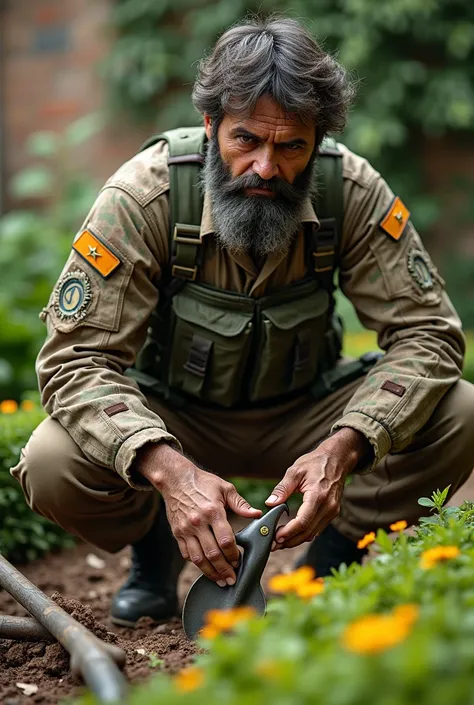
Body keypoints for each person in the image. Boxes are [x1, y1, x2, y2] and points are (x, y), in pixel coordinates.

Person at [11, 16, 474, 628]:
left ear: (317, 141)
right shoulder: (144, 197)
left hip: (304, 418)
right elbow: (74, 361)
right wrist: (167, 470)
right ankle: (154, 555)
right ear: (211, 126)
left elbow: (429, 333)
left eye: (291, 148)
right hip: (173, 419)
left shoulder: (351, 191)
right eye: (245, 140)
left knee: (461, 413)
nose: (265, 167)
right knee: (51, 462)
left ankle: (332, 565)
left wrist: (347, 443)